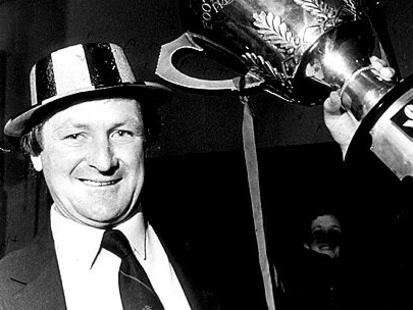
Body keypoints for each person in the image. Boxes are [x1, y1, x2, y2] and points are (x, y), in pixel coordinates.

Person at [0, 42, 221, 310]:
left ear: (146, 142)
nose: (104, 161)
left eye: (122, 133)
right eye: (75, 136)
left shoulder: (220, 260)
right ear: (36, 152)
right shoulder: (5, 290)